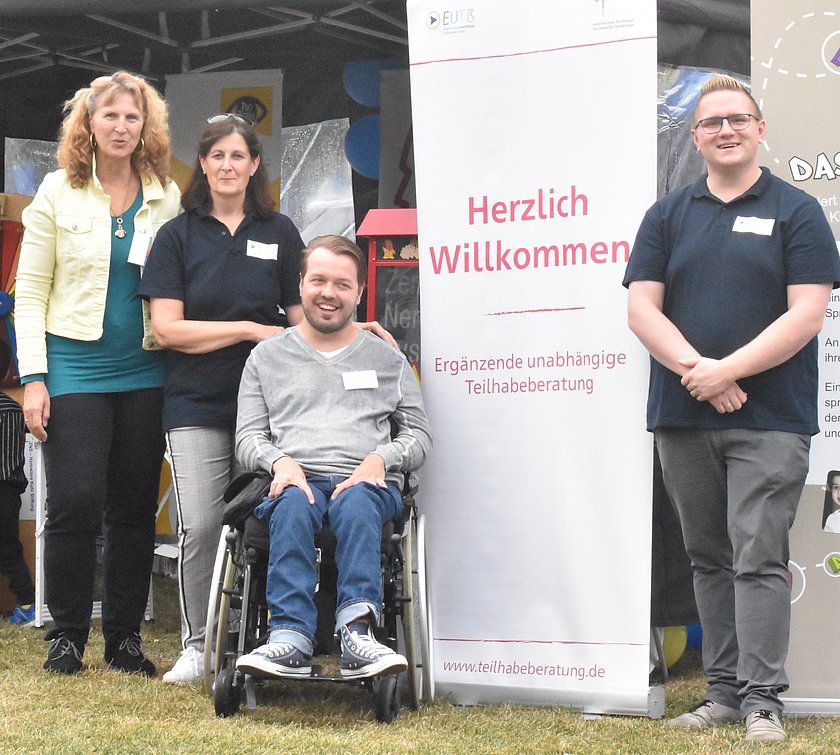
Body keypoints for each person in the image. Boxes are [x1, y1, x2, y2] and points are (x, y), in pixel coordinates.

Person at [138, 117, 395, 685]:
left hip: (280, 413)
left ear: (255, 165)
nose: (228, 165)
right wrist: (251, 331)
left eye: (239, 155)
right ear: (202, 164)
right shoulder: (177, 236)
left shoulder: (279, 232)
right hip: (199, 404)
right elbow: (168, 329)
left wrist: (360, 331)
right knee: (203, 528)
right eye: (217, 155)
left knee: (272, 518)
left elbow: (309, 318)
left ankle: (267, 635)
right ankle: (197, 643)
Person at [623, 74, 840, 743]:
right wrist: (699, 373)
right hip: (685, 416)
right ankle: (721, 693)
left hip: (770, 417)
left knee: (757, 555)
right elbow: (639, 307)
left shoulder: (798, 211)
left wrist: (729, 370)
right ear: (696, 137)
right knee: (708, 556)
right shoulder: (666, 214)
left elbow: (807, 312)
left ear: (760, 128)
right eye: (712, 122)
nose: (725, 130)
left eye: (738, 119)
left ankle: (763, 703)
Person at [15, 71, 180, 675]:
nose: (121, 126)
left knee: (133, 506)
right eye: (109, 115)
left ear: (145, 127)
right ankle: (66, 633)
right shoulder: (56, 192)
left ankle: (124, 638)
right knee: (75, 501)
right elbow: (29, 293)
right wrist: (34, 377)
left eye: (132, 117)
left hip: (145, 368)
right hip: (73, 367)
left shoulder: (165, 193)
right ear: (88, 124)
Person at [233, 235, 432, 680]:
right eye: (318, 280)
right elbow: (247, 437)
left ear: (359, 293)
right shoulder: (265, 358)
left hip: (365, 481)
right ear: (300, 284)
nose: (328, 293)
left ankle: (358, 633)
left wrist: (382, 458)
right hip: (293, 479)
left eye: (342, 284)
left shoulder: (389, 360)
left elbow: (419, 436)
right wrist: (279, 463)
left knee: (359, 501)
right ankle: (289, 637)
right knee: (291, 502)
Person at [0, 340, 36, 626]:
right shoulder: (15, 409)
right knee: (9, 547)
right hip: (10, 491)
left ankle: (27, 601)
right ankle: (27, 603)